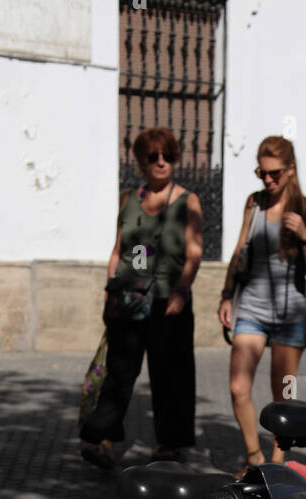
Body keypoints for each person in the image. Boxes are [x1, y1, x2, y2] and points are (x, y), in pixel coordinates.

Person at [80, 127, 203, 467]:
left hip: (168, 298)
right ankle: (101, 438)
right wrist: (109, 290)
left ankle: (171, 442)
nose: (161, 163)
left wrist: (182, 290)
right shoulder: (129, 198)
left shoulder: (187, 200)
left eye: (167, 156)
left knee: (170, 373)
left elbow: (194, 253)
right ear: (140, 162)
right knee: (120, 372)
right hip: (129, 297)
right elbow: (119, 249)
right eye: (152, 157)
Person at [218, 135, 306, 469]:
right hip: (251, 306)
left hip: (291, 315)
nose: (267, 180)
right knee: (238, 387)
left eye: (275, 173)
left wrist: (305, 236)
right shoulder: (254, 203)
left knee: (285, 394)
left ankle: (278, 461)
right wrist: (226, 294)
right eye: (262, 173)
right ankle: (253, 456)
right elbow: (239, 250)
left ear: (291, 170)